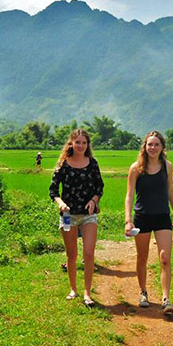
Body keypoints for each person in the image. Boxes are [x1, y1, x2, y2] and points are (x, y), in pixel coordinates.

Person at [125, 131, 173, 316]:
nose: (153, 148)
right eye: (150, 144)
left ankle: (166, 299)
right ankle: (143, 292)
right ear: (145, 146)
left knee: (165, 258)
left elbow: (170, 190)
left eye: (156, 144)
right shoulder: (136, 168)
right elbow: (129, 195)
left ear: (162, 147)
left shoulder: (167, 166)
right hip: (142, 217)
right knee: (142, 257)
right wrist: (128, 220)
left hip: (162, 216)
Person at [49, 129, 104, 307]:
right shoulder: (63, 164)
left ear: (87, 145)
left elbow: (100, 186)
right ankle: (73, 289)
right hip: (68, 216)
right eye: (77, 142)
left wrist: (94, 200)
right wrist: (60, 203)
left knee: (88, 254)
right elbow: (53, 190)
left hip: (88, 216)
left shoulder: (92, 163)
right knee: (71, 255)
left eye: (84, 143)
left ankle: (87, 292)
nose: (80, 146)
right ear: (71, 144)